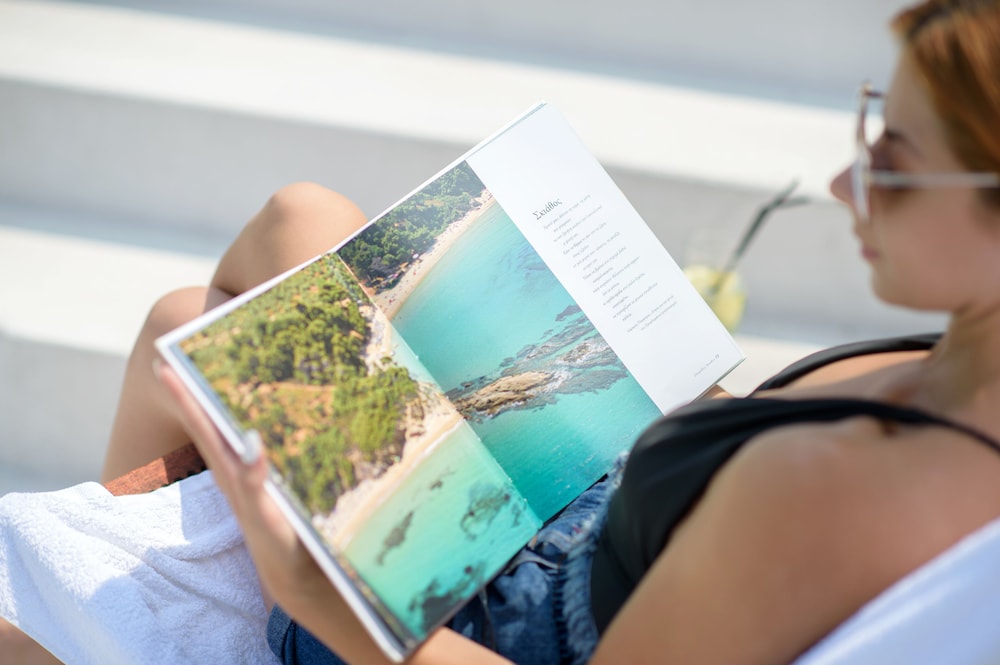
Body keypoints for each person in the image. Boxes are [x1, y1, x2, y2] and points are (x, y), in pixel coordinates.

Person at [7, 0, 1000, 662]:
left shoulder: (842, 491)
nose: (846, 182)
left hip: (465, 610)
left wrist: (317, 590)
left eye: (896, 161)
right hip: (578, 501)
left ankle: (92, 609)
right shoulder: (948, 373)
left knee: (198, 319)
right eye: (869, 127)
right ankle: (98, 598)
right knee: (264, 252)